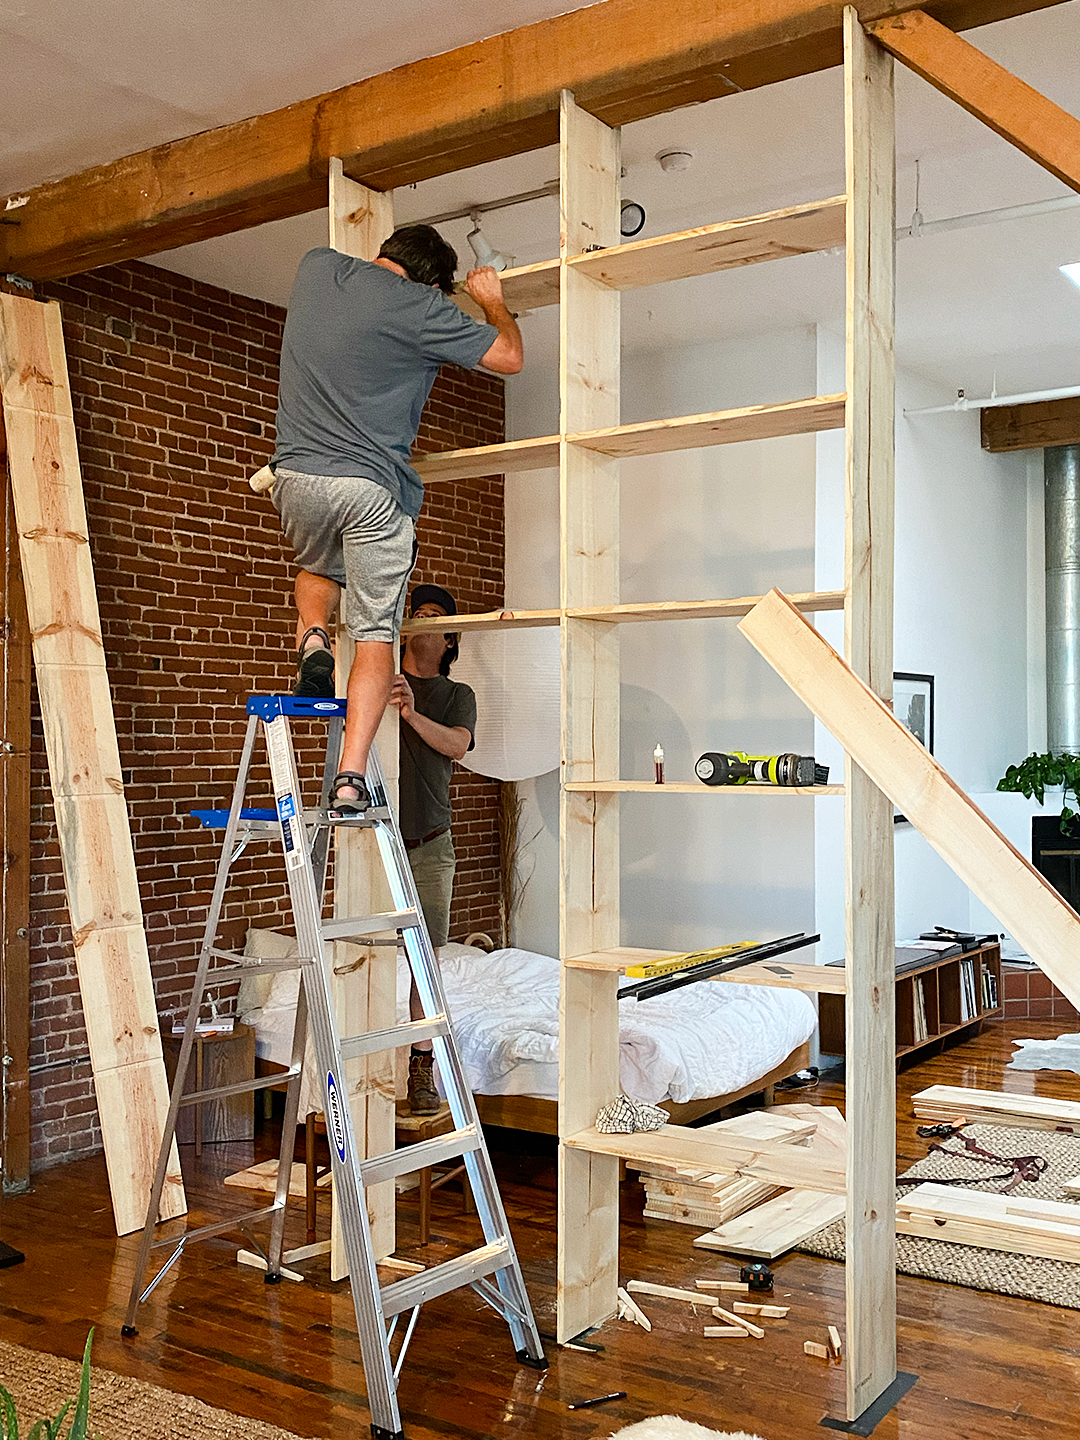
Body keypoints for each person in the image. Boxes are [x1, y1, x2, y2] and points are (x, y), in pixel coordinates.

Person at [269, 224, 522, 816]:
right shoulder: (423, 308)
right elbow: (508, 356)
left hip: (297, 478)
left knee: (315, 565)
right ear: (433, 283)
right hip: (373, 491)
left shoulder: (314, 266)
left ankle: (311, 636)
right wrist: (492, 302)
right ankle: (351, 777)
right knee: (375, 635)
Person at [392, 583, 476, 1112]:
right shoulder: (379, 677)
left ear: (448, 638)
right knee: (368, 953)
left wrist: (411, 715)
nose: (422, 624)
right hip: (373, 841)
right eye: (415, 615)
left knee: (426, 958)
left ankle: (419, 1070)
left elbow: (458, 745)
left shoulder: (455, 695)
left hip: (429, 843)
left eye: (434, 619)